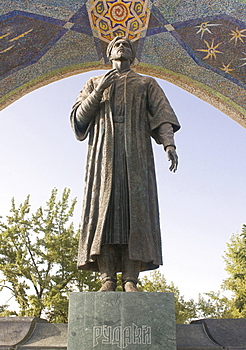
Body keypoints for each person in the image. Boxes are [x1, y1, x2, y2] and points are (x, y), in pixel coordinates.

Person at [70, 37, 180, 292]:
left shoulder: (146, 83)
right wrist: (98, 92)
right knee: (104, 212)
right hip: (103, 155)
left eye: (127, 46)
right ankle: (107, 277)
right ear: (109, 53)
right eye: (117, 45)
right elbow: (78, 120)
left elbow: (162, 115)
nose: (122, 47)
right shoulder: (93, 83)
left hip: (137, 154)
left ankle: (131, 279)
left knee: (136, 213)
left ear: (133, 55)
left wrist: (169, 144)